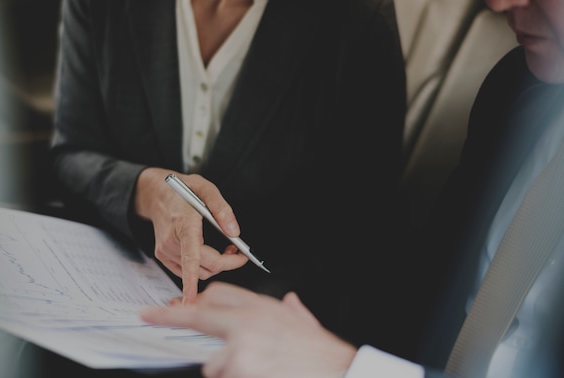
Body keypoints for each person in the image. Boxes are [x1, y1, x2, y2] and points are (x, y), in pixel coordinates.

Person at [139, 0, 564, 377]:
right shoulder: (514, 88)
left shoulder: (354, 28)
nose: (497, 3)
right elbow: (415, 303)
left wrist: (346, 366)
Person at [50, 0, 407, 347]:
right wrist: (148, 192)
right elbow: (71, 153)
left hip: (262, 326)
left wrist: (252, 317)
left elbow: (358, 236)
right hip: (105, 289)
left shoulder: (357, 18)